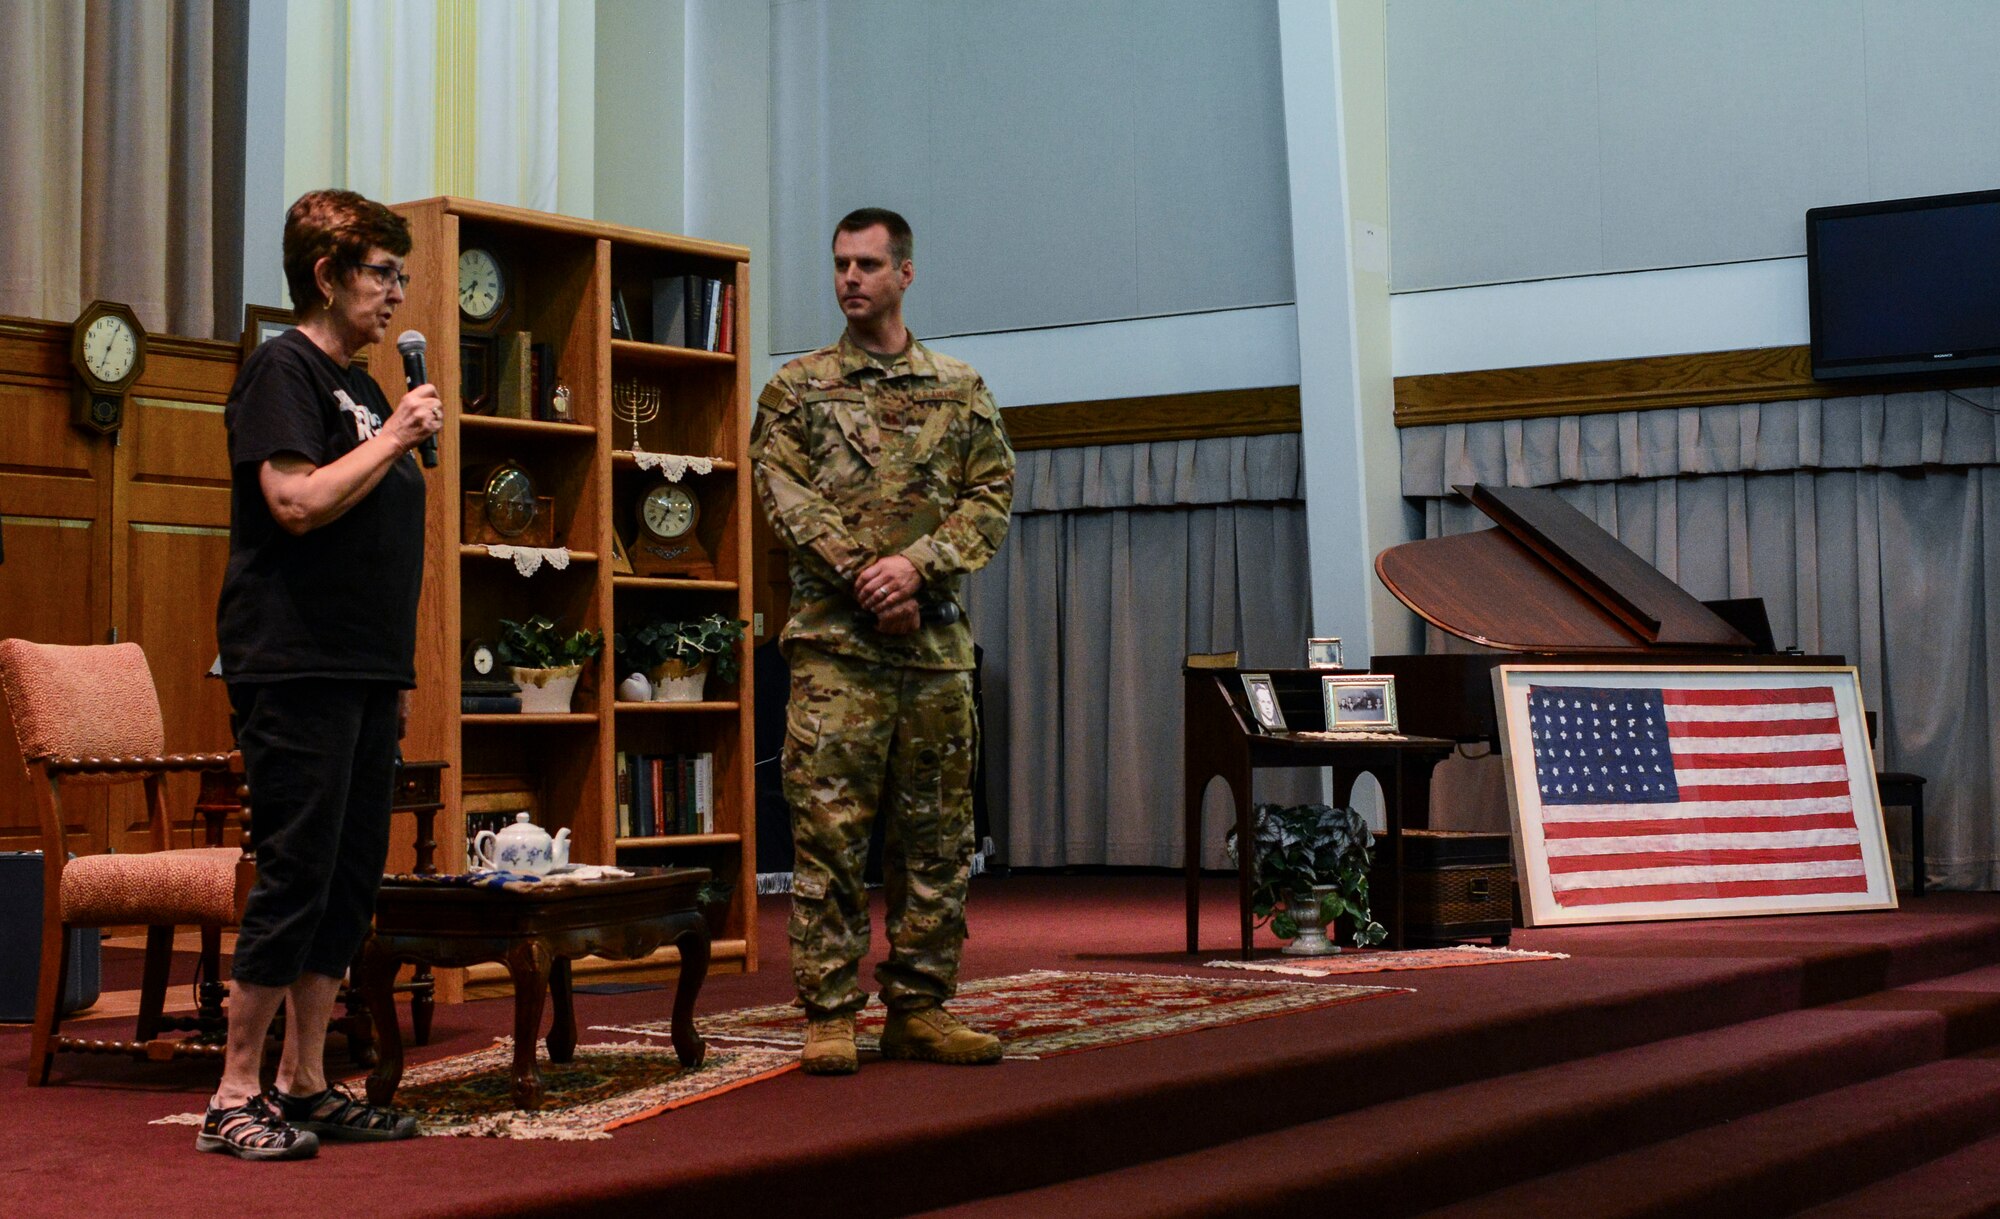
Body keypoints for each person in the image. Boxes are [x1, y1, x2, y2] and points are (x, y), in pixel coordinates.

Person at [202, 188, 442, 1159]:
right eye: (381, 273)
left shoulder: (367, 385)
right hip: (293, 662)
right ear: (327, 275)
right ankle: (232, 1092)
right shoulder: (282, 369)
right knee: (296, 870)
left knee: (348, 878)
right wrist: (391, 442)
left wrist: (392, 430)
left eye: (399, 275)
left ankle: (305, 1081)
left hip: (364, 664)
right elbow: (293, 501)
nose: (395, 292)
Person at [751, 207, 1015, 1075]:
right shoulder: (796, 390)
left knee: (936, 838)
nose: (850, 279)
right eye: (839, 265)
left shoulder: (962, 389)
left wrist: (921, 567)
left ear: (907, 272)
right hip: (837, 654)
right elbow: (785, 499)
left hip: (934, 656)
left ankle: (921, 1006)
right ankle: (830, 1011)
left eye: (867, 264)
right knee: (828, 836)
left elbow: (991, 495)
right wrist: (876, 577)